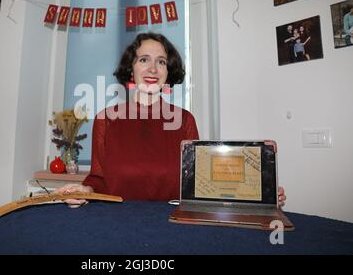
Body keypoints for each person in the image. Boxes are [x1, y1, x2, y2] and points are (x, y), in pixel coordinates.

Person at [54, 33, 287, 208]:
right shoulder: (106, 119)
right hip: (117, 223)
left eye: (162, 61)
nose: (153, 68)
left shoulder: (185, 120)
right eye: (144, 60)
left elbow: (199, 183)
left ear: (168, 72)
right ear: (130, 69)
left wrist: (256, 193)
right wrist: (85, 190)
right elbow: (99, 179)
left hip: (174, 226)